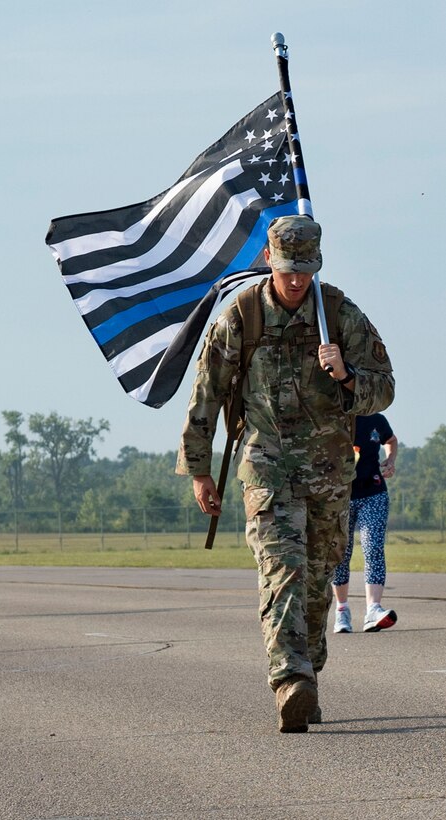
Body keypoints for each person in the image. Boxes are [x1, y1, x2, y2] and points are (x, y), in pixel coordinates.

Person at [176, 215, 394, 732]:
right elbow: (205, 393)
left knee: (319, 578)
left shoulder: (339, 315)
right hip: (267, 466)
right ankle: (289, 679)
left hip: (329, 473)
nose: (296, 280)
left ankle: (307, 672)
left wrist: (346, 375)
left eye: (305, 269)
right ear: (270, 260)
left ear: (316, 265)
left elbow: (384, 389)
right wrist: (199, 471)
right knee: (283, 569)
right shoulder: (242, 316)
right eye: (287, 268)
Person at [332, 414, 399, 634]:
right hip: (341, 495)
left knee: (373, 549)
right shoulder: (332, 416)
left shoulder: (376, 420)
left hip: (374, 493)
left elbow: (391, 440)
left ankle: (373, 609)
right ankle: (342, 610)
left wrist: (390, 460)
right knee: (341, 553)